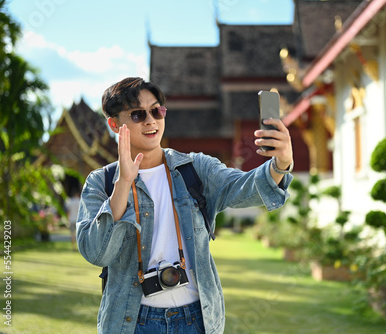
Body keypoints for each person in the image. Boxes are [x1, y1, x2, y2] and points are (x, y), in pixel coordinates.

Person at [76, 77, 294, 334]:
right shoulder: (101, 182)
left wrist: (281, 164)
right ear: (114, 123)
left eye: (156, 111)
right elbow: (96, 252)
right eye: (137, 114)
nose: (150, 121)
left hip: (196, 319)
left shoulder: (194, 168)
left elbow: (242, 188)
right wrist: (123, 183)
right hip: (133, 321)